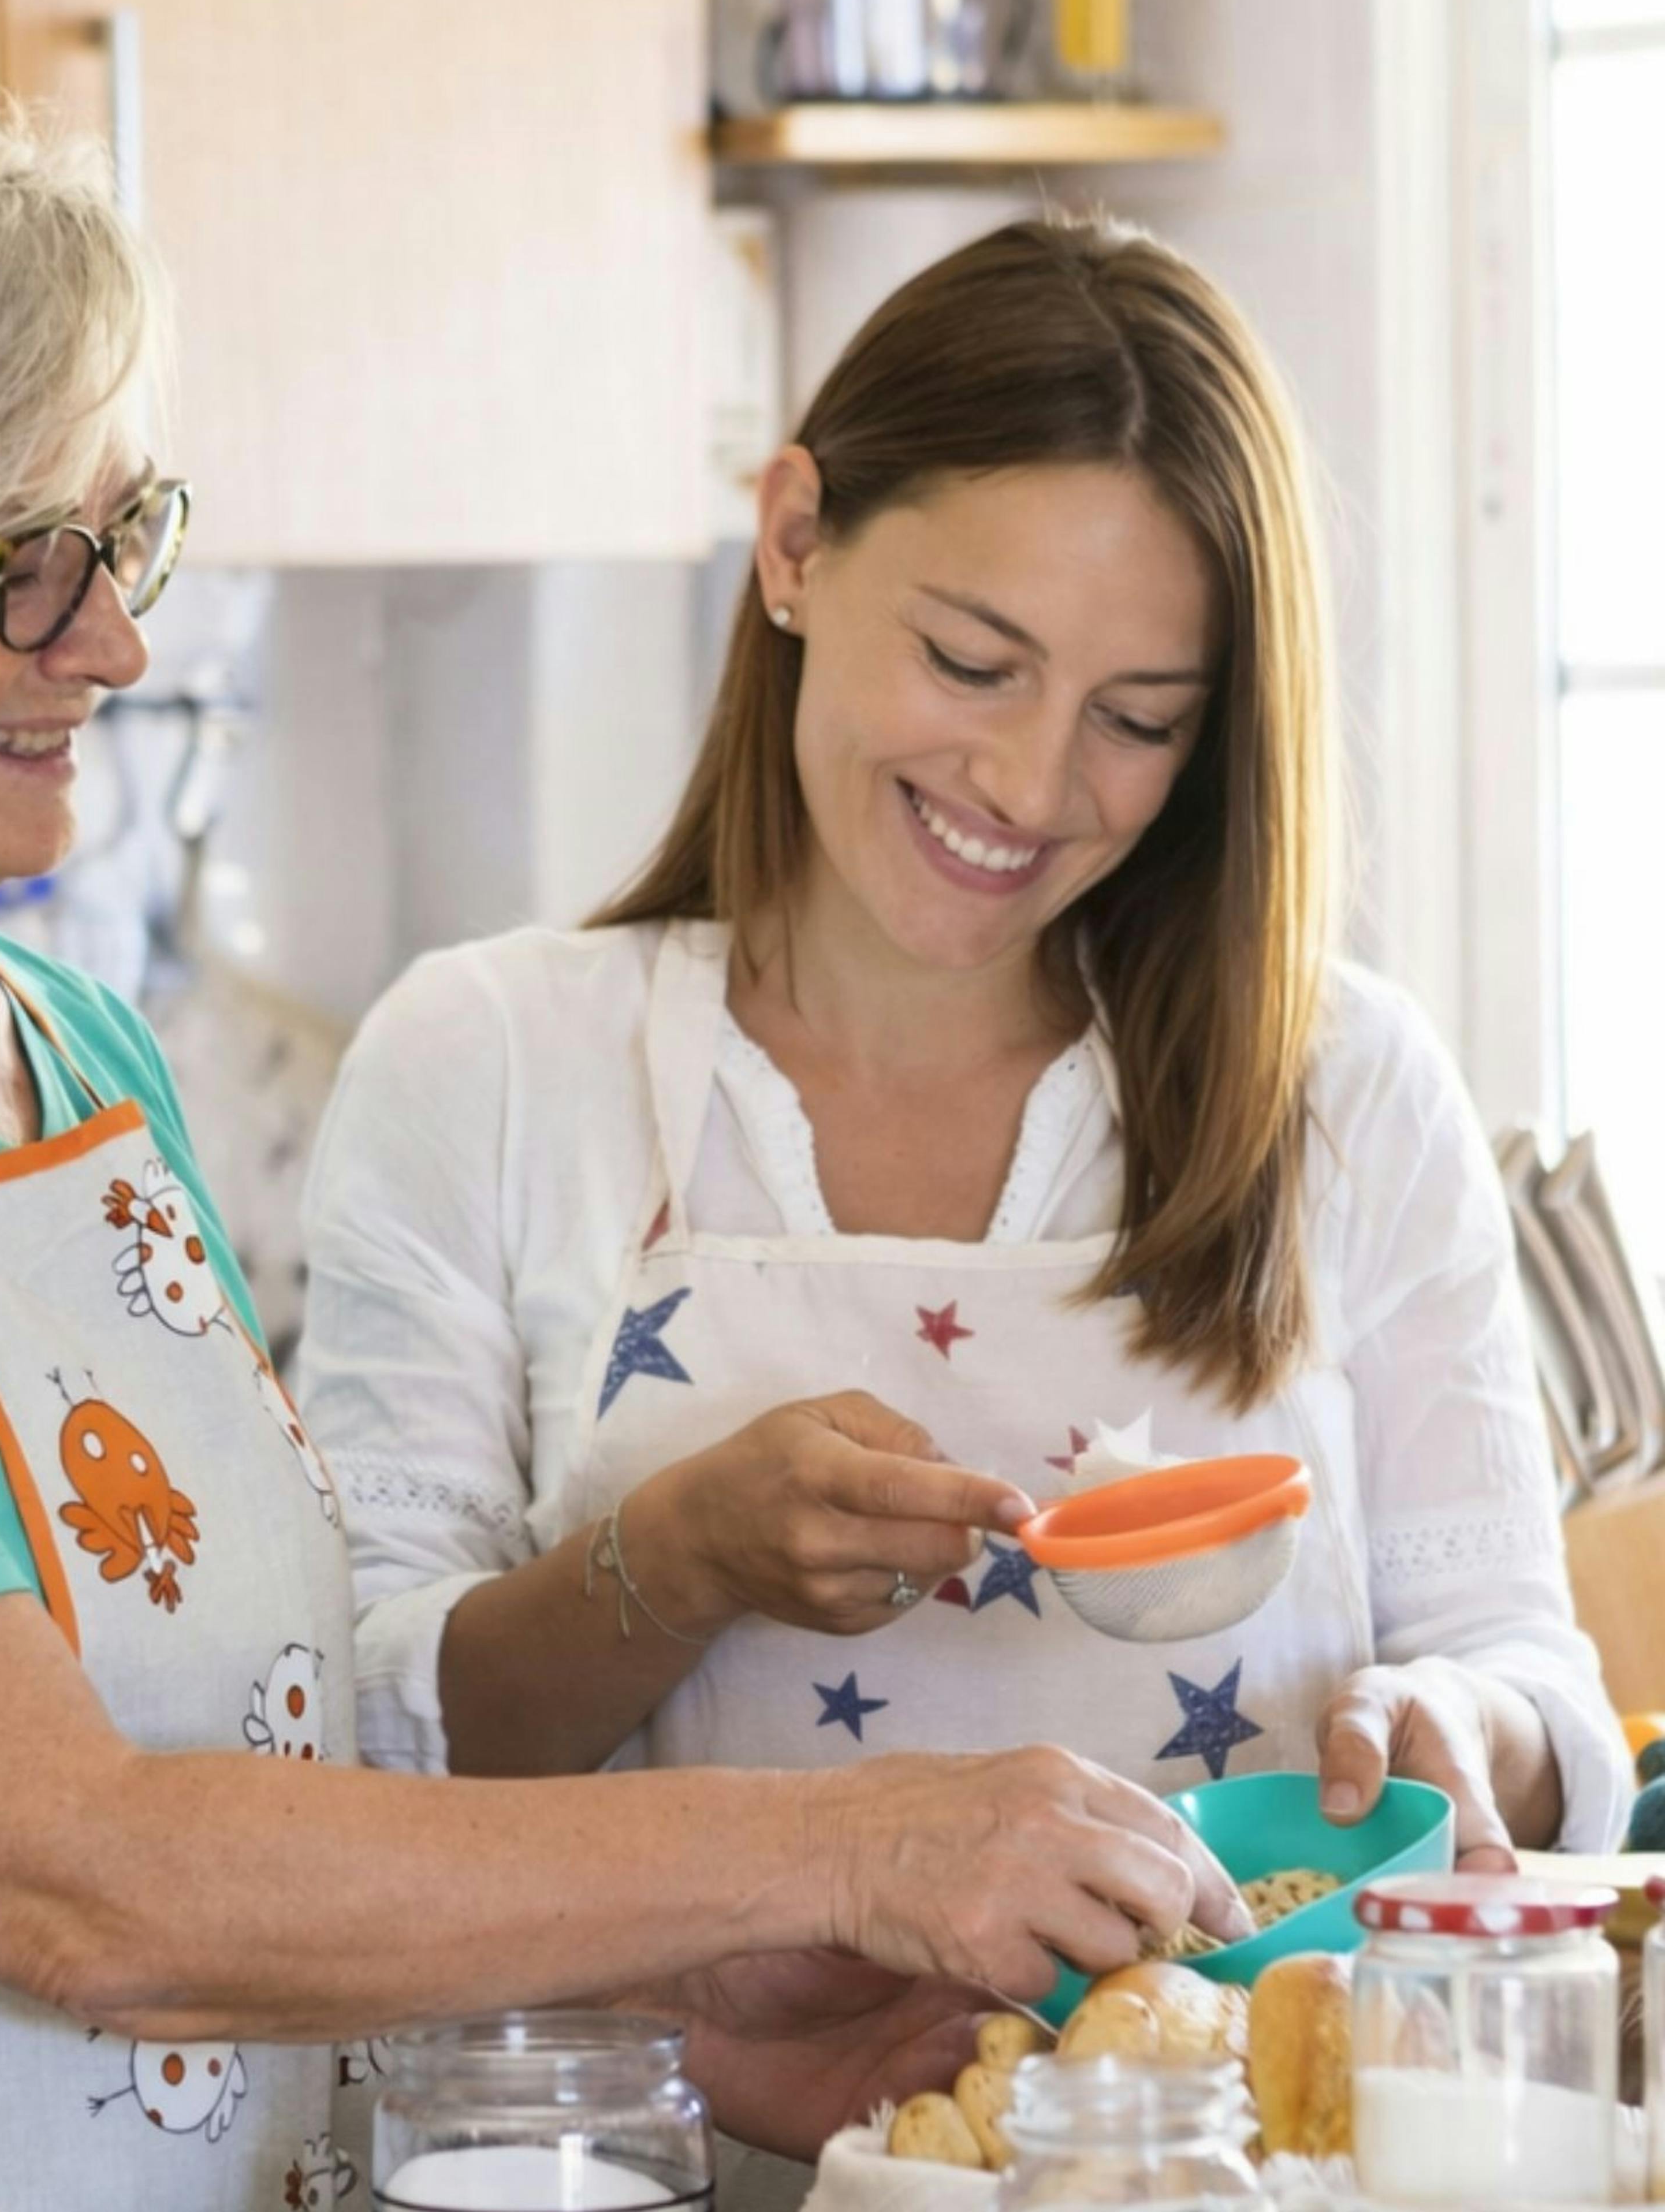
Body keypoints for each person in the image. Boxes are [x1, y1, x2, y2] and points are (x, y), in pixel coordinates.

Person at [0, 75, 1253, 2212]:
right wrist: (857, 1838)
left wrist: (688, 2001)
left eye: (124, 536)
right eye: (18, 569)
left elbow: (254, 1781)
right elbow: (82, 1881)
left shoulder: (67, 1049)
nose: (112, 643)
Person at [306, 215, 1628, 2013]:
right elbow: (364, 1749)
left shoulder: (1344, 1090)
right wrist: (671, 1565)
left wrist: (1464, 1726)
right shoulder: (494, 1064)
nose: (1028, 784)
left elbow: (1527, 1675)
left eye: (1138, 720)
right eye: (973, 661)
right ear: (792, 545)